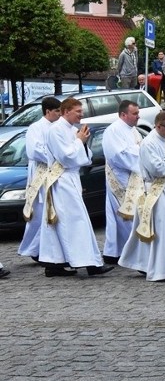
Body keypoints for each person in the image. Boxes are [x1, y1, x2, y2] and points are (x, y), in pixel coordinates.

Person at [39, 98, 113, 278]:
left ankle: (55, 263)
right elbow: (66, 157)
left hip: (71, 177)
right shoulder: (55, 130)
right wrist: (80, 141)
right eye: (78, 111)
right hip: (62, 180)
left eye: (81, 111)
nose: (82, 114)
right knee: (75, 222)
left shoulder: (73, 130)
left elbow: (85, 159)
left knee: (68, 222)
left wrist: (84, 142)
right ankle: (89, 263)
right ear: (65, 112)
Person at [118, 112, 165, 282]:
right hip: (156, 190)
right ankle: (163, 270)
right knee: (161, 230)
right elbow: (157, 169)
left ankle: (147, 263)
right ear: (158, 126)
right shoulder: (149, 143)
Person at [18, 96, 61, 262]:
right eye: (57, 111)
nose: (59, 114)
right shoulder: (35, 128)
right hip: (40, 173)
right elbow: (34, 150)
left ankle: (45, 248)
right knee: (39, 212)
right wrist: (56, 155)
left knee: (51, 211)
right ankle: (33, 249)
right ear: (48, 111)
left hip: (55, 173)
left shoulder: (59, 127)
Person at [102, 100, 144, 264]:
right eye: (135, 114)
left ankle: (119, 251)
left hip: (133, 175)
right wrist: (141, 155)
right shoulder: (113, 130)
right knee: (125, 215)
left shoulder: (133, 130)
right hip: (119, 177)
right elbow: (119, 154)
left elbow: (140, 148)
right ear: (123, 114)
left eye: (138, 113)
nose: (138, 116)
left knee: (126, 216)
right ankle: (122, 251)